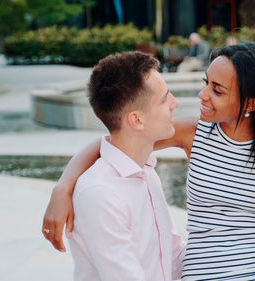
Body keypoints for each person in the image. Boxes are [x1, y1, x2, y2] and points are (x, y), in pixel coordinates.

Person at [42, 42, 255, 280]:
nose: (203, 95)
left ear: (250, 103)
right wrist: (63, 188)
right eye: (206, 83)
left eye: (218, 90)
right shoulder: (194, 134)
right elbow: (117, 141)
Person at [43, 51, 185, 281]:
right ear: (136, 119)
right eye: (164, 98)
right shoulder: (100, 194)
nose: (175, 103)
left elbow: (173, 257)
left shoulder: (146, 173)